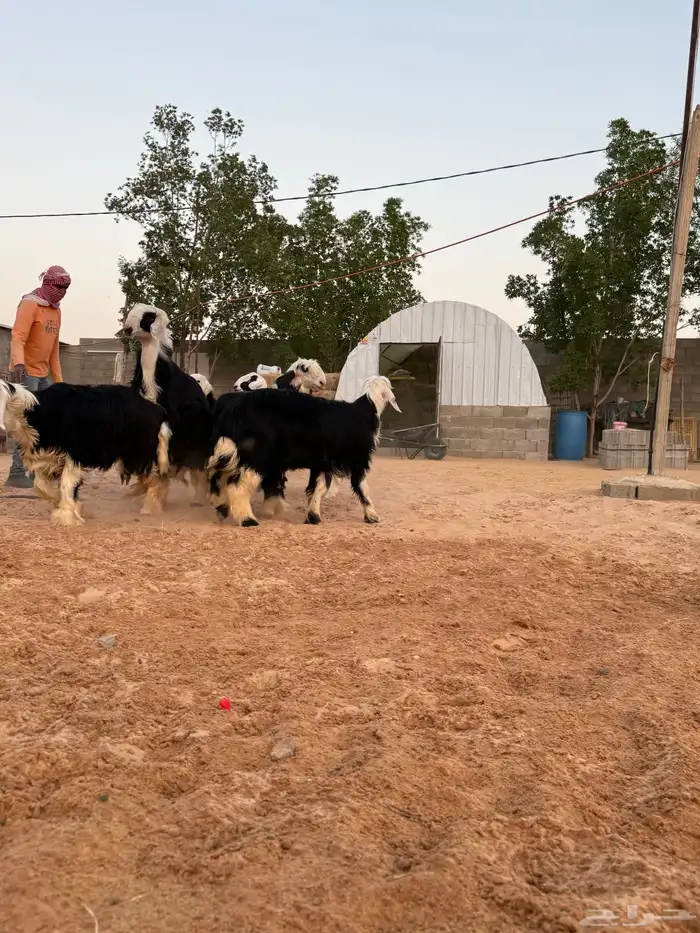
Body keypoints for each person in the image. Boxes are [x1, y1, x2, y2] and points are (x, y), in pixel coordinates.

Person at [3, 265, 70, 488]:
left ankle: (37, 470)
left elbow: (54, 351)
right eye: (59, 287)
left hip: (43, 375)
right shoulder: (30, 304)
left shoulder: (56, 311)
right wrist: (18, 363)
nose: (63, 291)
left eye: (66, 288)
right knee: (25, 422)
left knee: (46, 422)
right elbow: (18, 336)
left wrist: (59, 383)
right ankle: (16, 472)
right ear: (48, 284)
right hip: (25, 372)